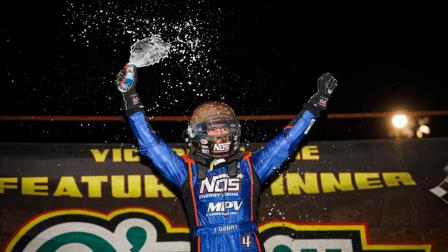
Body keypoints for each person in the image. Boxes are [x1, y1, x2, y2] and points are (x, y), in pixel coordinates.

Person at [115, 68, 338, 252]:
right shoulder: (186, 170)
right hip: (207, 244)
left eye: (225, 129)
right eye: (214, 130)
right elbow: (151, 146)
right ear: (197, 134)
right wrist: (130, 98)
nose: (221, 135)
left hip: (247, 243)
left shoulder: (251, 166)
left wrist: (316, 103)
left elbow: (287, 141)